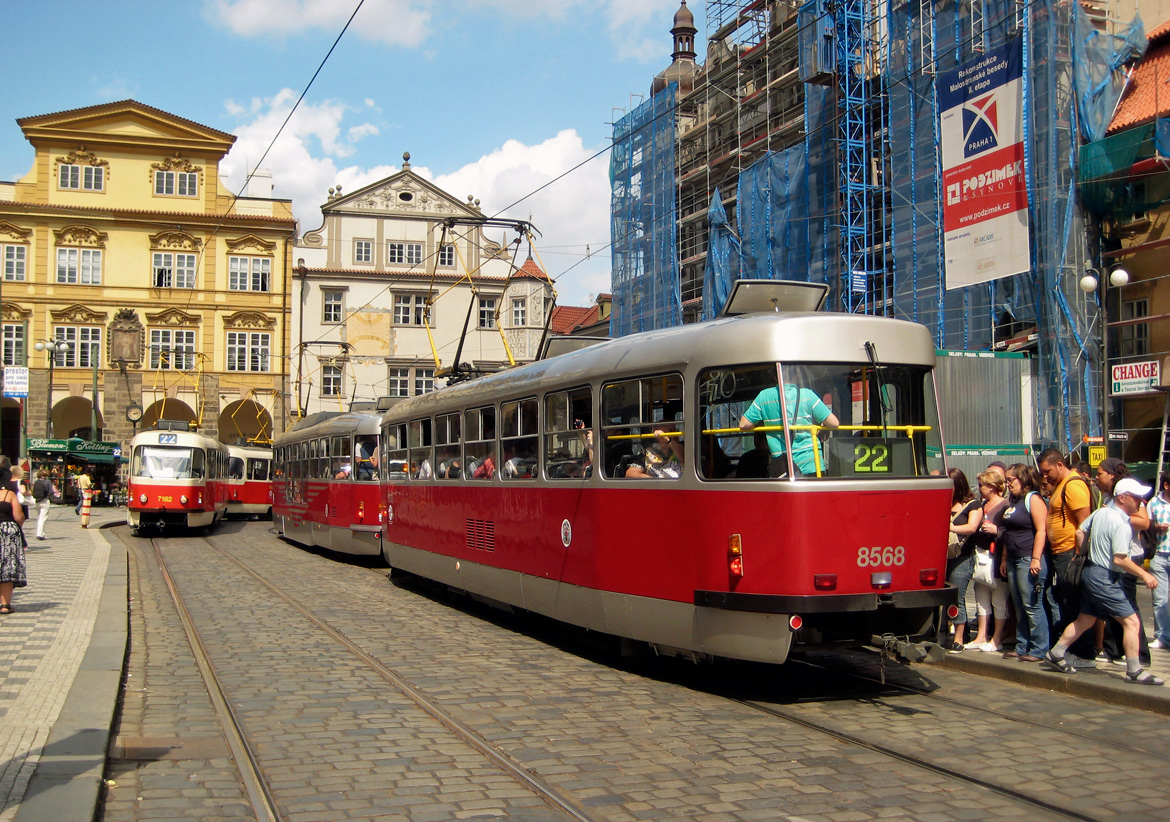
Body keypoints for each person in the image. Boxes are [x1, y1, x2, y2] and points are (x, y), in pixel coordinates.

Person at [1045, 478, 1163, 685]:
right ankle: (1134, 670)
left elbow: (1080, 531)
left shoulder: (1100, 513)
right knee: (1132, 622)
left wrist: (1085, 553)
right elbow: (1120, 558)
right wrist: (1144, 575)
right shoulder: (1122, 524)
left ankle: (1057, 652)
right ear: (1122, 497)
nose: (1140, 502)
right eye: (1136, 498)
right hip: (1104, 577)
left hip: (1091, 572)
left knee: (1086, 619)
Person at [1037, 448, 1096, 662]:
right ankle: (1073, 649)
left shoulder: (1073, 485)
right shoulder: (1062, 485)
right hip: (1061, 552)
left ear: (1060, 465)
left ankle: (1083, 653)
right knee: (1065, 600)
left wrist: (1078, 556)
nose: (1045, 476)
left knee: (1074, 603)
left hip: (1070, 553)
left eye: (1048, 471)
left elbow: (1085, 523)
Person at [1095, 458, 1151, 666]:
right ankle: (1114, 650)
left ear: (1111, 475)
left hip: (1128, 555)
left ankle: (1140, 655)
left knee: (1128, 605)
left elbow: (1144, 521)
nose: (1097, 477)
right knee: (1114, 605)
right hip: (1114, 557)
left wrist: (1117, 517)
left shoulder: (1129, 496)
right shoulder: (1107, 497)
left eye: (1100, 473)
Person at [998, 464, 1050, 661]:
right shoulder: (1013, 501)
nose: (1008, 484)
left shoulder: (1033, 499)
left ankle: (1038, 648)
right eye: (1007, 480)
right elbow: (1008, 532)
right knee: (1018, 605)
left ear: (1023, 479)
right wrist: (1004, 558)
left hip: (1028, 558)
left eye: (1011, 480)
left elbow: (1041, 530)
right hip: (1012, 558)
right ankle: (1022, 645)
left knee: (1032, 605)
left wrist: (1036, 558)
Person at [739, 382, 839, 477]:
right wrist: (822, 424)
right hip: (812, 464)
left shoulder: (764, 396)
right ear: (796, 373)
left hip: (783, 468)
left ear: (773, 375)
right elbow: (834, 423)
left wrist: (765, 422)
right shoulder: (807, 394)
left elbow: (743, 425)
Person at [966, 470, 1009, 652]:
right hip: (980, 555)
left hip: (997, 557)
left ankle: (996, 638)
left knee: (999, 599)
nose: (979, 488)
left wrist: (996, 530)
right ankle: (981, 635)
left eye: (981, 485)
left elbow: (1010, 532)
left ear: (992, 487)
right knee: (980, 597)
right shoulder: (983, 504)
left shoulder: (1005, 506)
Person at [945, 468, 983, 653]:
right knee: (945, 597)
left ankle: (959, 638)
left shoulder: (973, 505)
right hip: (944, 556)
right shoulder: (944, 503)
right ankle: (950, 631)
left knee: (957, 596)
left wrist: (951, 527)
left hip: (963, 557)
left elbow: (972, 527)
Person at [0, 466, 27, 614]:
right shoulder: (9, 495)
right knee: (7, 568)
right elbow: (19, 516)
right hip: (7, 533)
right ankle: (5, 605)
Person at [1148, 472, 1170, 651]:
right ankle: (1162, 636)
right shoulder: (1154, 503)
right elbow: (1146, 527)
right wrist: (1156, 527)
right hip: (1159, 554)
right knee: (1159, 597)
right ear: (1167, 486)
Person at [32, 469, 54, 540]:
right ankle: (40, 534)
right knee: (43, 518)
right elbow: (51, 491)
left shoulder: (36, 482)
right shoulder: (48, 481)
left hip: (37, 500)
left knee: (39, 517)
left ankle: (38, 532)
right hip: (45, 500)